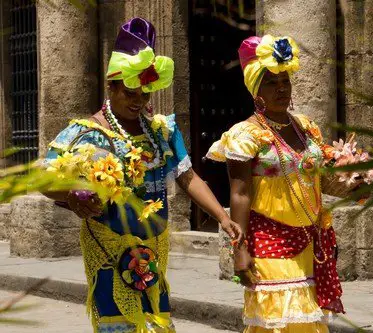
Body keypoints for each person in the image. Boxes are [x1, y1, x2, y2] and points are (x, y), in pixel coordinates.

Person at [40, 17, 242, 333]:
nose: (139, 102)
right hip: (109, 253)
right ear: (112, 86)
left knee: (158, 326)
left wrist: (222, 217)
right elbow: (47, 180)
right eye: (131, 92)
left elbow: (188, 178)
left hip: (153, 254)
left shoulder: (162, 131)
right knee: (119, 326)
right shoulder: (85, 134)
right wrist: (70, 195)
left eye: (145, 94)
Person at [207, 35, 352, 332]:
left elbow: (319, 180)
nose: (281, 88)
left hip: (310, 244)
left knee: (308, 323)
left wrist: (357, 182)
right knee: (280, 323)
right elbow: (241, 194)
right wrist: (240, 250)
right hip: (269, 244)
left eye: (284, 81)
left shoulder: (306, 128)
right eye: (271, 83)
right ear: (254, 89)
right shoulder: (245, 136)